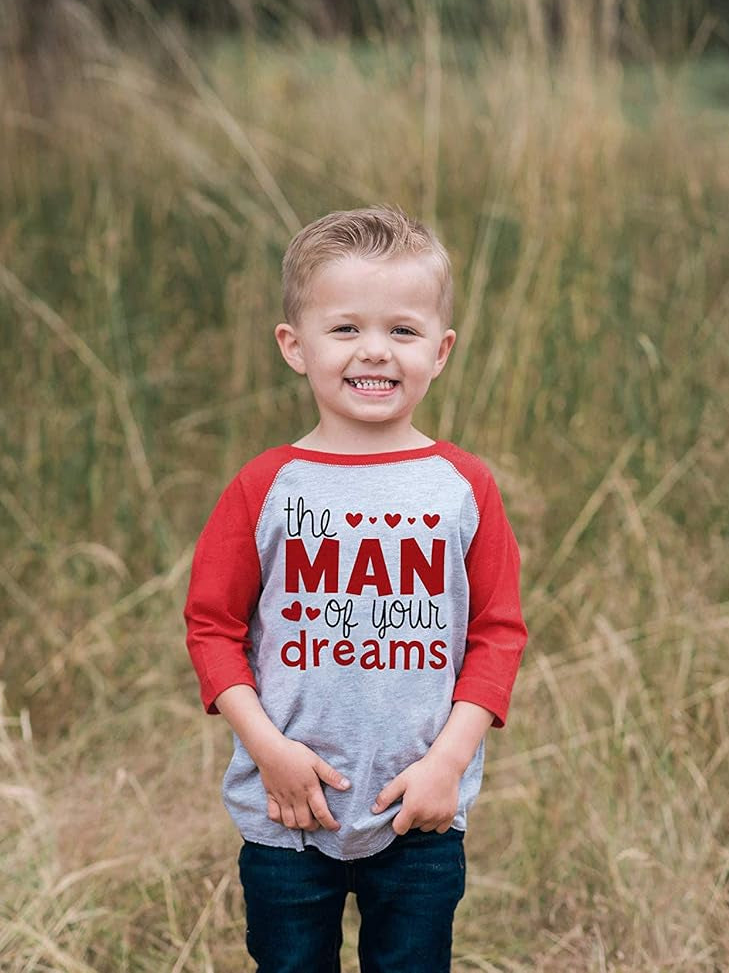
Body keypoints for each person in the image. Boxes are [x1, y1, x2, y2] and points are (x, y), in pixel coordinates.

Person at [183, 205, 529, 971]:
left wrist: (448, 763)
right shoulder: (265, 485)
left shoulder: (461, 487)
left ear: (439, 352)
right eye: (345, 329)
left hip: (419, 815)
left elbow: (497, 634)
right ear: (294, 346)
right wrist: (268, 749)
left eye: (402, 331)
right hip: (288, 814)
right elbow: (211, 628)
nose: (375, 350)